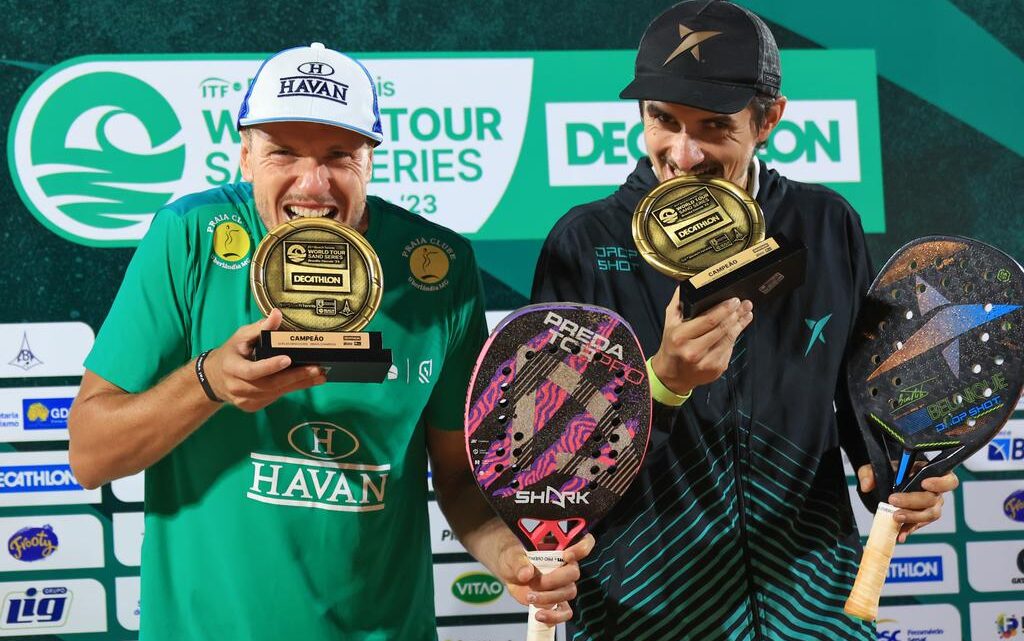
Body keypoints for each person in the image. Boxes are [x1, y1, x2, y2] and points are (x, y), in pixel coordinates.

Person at [68, 43, 589, 641]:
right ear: (244, 154)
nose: (312, 185)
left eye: (339, 155)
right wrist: (208, 381)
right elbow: (90, 455)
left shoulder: (438, 267)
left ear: (371, 158)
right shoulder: (189, 238)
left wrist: (511, 560)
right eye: (283, 152)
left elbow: (458, 479)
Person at [531, 3, 957, 640]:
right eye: (663, 120)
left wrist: (889, 473)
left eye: (713, 126)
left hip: (816, 609)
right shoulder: (583, 243)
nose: (684, 152)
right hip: (645, 614)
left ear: (769, 120)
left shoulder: (825, 223)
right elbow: (548, 463)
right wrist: (661, 384)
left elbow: (858, 402)